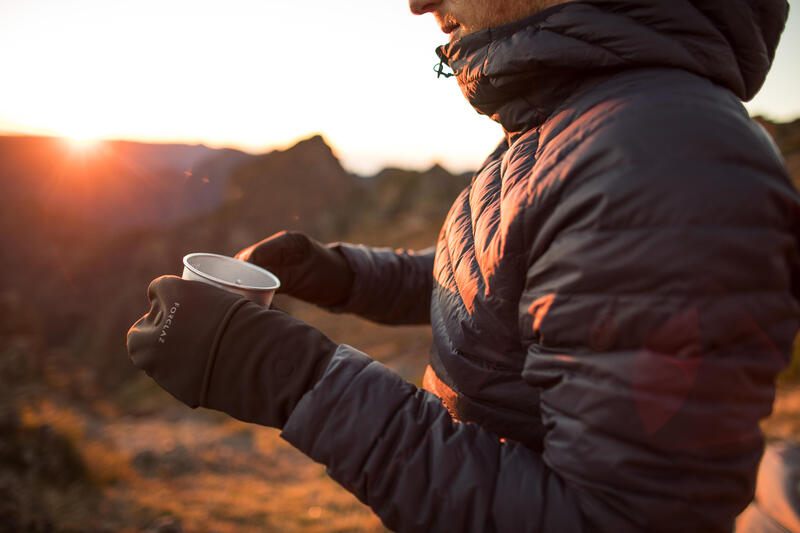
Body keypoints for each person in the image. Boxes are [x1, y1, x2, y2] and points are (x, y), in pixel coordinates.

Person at [126, 0, 800, 531]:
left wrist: (290, 376)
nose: (418, 3)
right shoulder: (579, 123)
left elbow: (615, 519)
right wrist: (342, 274)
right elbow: (513, 280)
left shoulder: (664, 158)